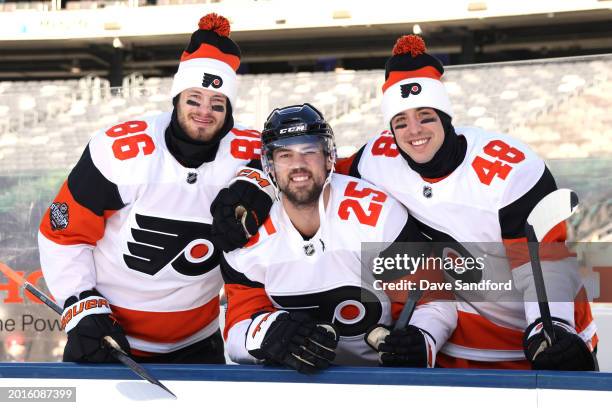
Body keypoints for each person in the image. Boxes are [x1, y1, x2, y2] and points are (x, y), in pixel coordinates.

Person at [334, 35, 598, 370]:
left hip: (538, 329)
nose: (414, 130)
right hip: (462, 340)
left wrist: (553, 328)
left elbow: (545, 261)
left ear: (445, 117)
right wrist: (257, 184)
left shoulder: (513, 170)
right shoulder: (377, 159)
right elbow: (314, 172)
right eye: (400, 122)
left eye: (425, 116)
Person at [37, 13, 271, 364]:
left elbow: (309, 169)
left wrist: (264, 180)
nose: (204, 112)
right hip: (110, 336)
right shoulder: (118, 151)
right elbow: (63, 234)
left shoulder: (254, 152)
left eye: (217, 104)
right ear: (176, 98)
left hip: (198, 340)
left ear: (230, 111)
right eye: (194, 99)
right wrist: (79, 301)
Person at [221, 103, 456, 373]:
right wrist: (266, 336)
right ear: (268, 165)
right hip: (295, 385)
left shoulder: (376, 215)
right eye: (285, 155)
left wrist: (422, 338)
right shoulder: (247, 230)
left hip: (382, 381)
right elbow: (236, 331)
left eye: (309, 151)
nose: (298, 165)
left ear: (330, 158)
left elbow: (432, 299)